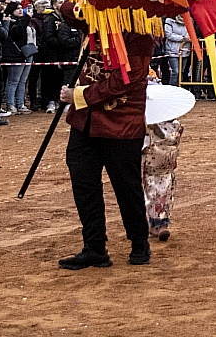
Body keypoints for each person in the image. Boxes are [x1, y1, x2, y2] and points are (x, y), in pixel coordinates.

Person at [58, 22, 153, 270]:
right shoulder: (93, 21)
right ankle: (94, 246)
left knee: (126, 187)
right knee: (84, 185)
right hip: (84, 123)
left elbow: (126, 79)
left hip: (120, 124)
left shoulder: (140, 32)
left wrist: (79, 95)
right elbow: (68, 11)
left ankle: (139, 241)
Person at [142, 115, 183, 243]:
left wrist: (153, 129)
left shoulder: (174, 125)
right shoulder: (175, 125)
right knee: (154, 194)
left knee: (159, 194)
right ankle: (156, 224)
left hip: (160, 165)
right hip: (157, 165)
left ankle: (160, 224)